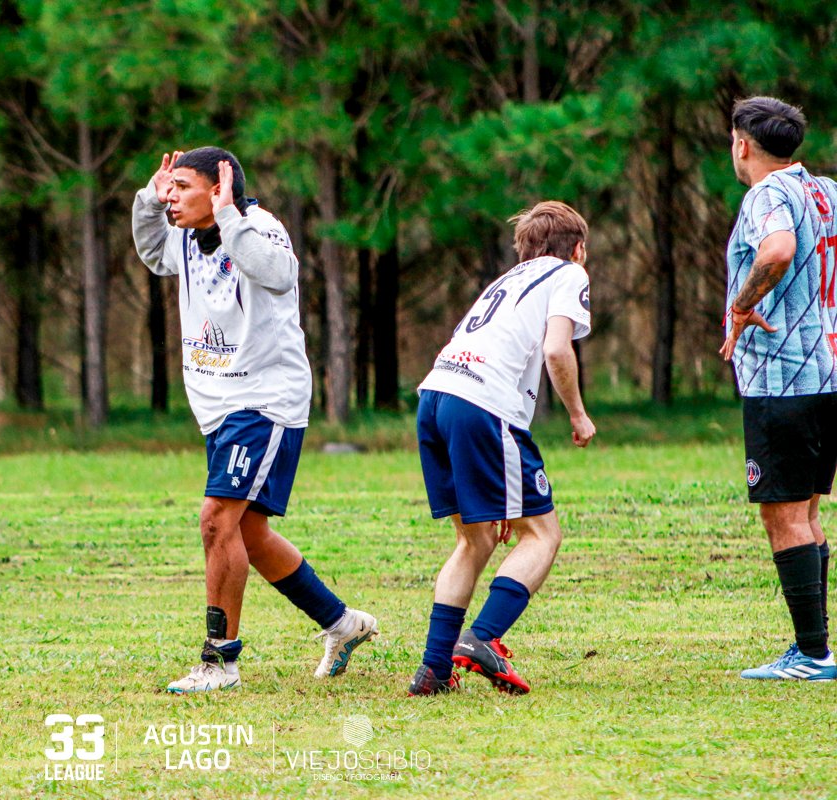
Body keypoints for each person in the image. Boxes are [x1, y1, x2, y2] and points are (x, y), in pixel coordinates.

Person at [131, 146, 377, 693]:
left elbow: (280, 275)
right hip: (216, 404)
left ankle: (219, 662)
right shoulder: (185, 234)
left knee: (216, 519)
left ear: (219, 189)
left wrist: (228, 218)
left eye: (183, 188)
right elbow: (152, 253)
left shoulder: (259, 227)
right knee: (247, 531)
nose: (172, 199)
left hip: (263, 401)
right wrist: (149, 200)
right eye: (170, 189)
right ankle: (343, 623)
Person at [408, 201, 595, 696]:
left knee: (475, 540)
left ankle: (433, 670)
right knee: (543, 535)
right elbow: (556, 349)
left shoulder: (506, 281)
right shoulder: (567, 273)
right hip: (483, 405)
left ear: (525, 249)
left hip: (436, 396)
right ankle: (483, 637)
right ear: (577, 249)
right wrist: (578, 414)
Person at [720, 96, 837, 681]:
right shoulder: (825, 191)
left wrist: (742, 305)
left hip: (784, 379)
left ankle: (812, 654)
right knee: (806, 512)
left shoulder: (766, 195)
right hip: (827, 372)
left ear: (742, 144)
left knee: (782, 515)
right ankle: (816, 649)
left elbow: (779, 249)